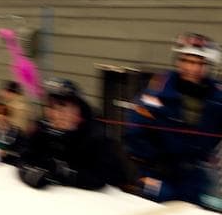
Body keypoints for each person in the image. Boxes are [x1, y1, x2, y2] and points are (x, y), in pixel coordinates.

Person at [126, 33, 222, 205]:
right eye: (188, 61)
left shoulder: (217, 97)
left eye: (200, 63)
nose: (193, 69)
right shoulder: (158, 91)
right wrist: (145, 166)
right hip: (158, 174)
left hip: (195, 177)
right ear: (179, 62)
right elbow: (135, 129)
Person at [19, 79, 118, 191]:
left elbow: (103, 178)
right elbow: (24, 157)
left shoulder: (96, 136)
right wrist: (29, 173)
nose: (54, 114)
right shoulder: (41, 129)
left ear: (78, 109)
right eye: (51, 107)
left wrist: (63, 172)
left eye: (62, 106)